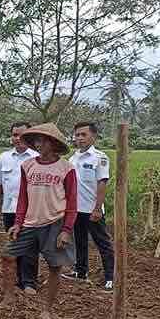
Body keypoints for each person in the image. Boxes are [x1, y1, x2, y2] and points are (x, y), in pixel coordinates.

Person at [0, 123, 78, 319]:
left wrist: (66, 230)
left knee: (54, 266)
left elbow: (73, 202)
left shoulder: (66, 168)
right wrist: (18, 223)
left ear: (54, 143)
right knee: (8, 255)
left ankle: (47, 309)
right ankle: (8, 298)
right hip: (29, 222)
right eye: (36, 140)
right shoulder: (27, 166)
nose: (39, 144)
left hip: (55, 222)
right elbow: (23, 198)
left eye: (43, 140)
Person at [0, 121, 40, 294]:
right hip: (9, 210)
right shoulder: (4, 157)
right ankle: (17, 279)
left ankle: (29, 282)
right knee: (14, 244)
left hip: (31, 210)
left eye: (22, 135)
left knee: (30, 246)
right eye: (15, 135)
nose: (18, 138)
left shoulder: (37, 158)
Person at [64, 121, 115, 292]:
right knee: (80, 241)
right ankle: (81, 272)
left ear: (93, 136)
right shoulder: (72, 158)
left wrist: (97, 208)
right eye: (77, 135)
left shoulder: (99, 158)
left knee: (103, 243)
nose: (79, 138)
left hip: (92, 210)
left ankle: (110, 277)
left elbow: (102, 184)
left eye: (83, 135)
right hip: (76, 209)